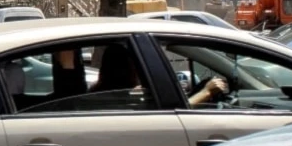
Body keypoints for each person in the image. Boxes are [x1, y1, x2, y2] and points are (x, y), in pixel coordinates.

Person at [92, 44, 228, 106]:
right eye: (135, 66)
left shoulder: (95, 95)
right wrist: (206, 92)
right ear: (129, 70)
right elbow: (176, 115)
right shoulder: (135, 99)